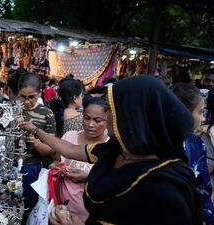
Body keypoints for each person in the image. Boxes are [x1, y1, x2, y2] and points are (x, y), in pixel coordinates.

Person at [21, 76, 203, 225]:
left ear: (130, 116)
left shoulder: (166, 189)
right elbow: (68, 149)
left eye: (109, 109)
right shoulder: (117, 150)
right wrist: (36, 130)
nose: (105, 116)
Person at [57, 97, 109, 221]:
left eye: (98, 120)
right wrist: (56, 168)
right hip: (64, 211)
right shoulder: (70, 137)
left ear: (108, 120)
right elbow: (57, 161)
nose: (91, 124)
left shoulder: (110, 147)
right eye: (86, 118)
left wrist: (87, 177)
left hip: (93, 216)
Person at [171, 83, 214, 225]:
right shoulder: (159, 142)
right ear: (183, 112)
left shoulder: (196, 143)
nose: (202, 119)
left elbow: (204, 187)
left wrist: (205, 217)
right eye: (200, 112)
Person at [17, 72, 56, 224]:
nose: (26, 101)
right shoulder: (12, 111)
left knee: (28, 206)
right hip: (8, 166)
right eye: (22, 97)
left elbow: (50, 149)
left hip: (31, 167)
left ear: (39, 93)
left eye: (31, 97)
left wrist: (35, 142)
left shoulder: (47, 114)